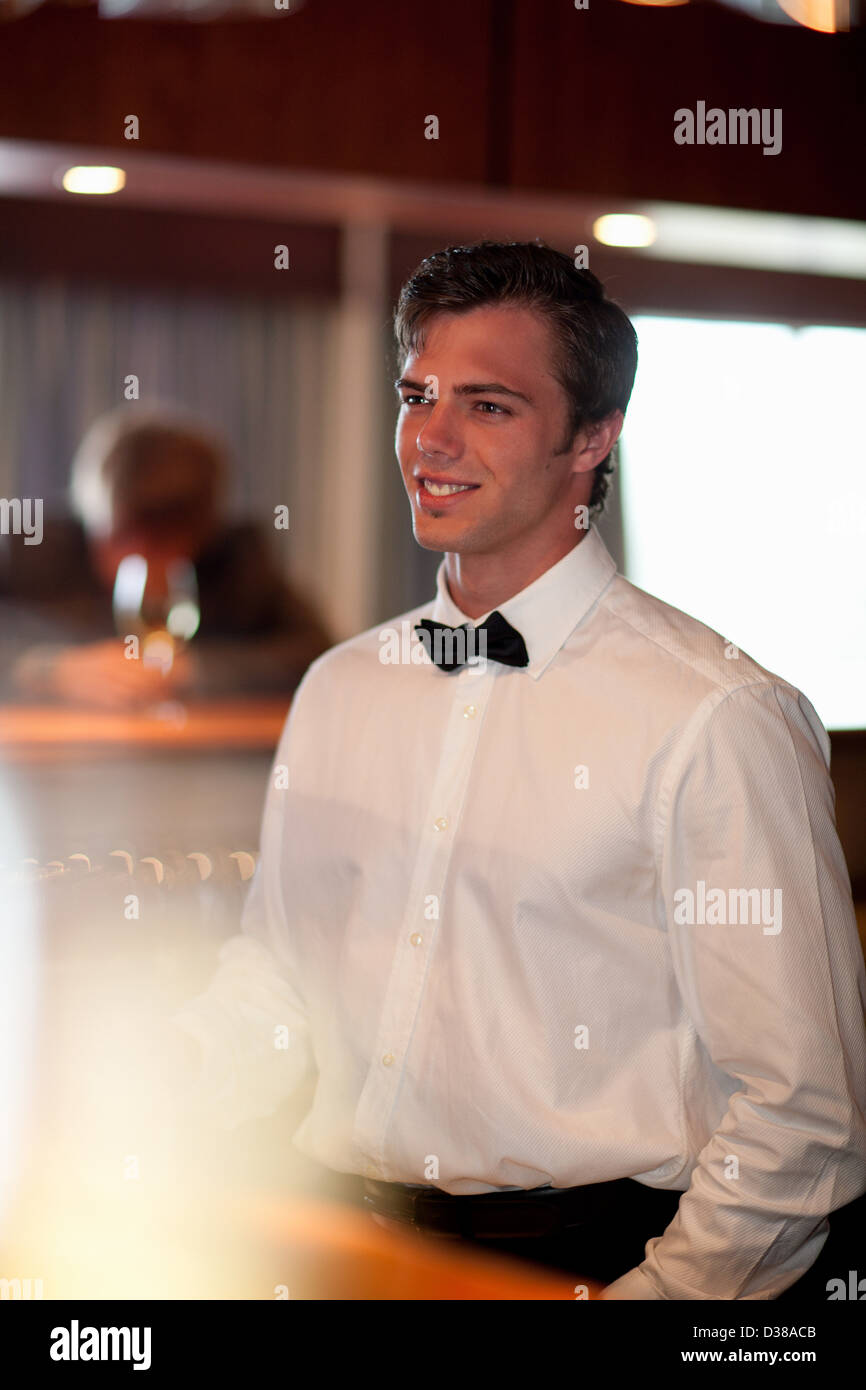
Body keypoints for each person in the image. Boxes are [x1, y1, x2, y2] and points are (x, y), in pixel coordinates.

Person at [174, 241, 866, 1300]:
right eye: (417, 396)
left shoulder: (716, 716)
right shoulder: (337, 689)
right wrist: (141, 1097)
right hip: (341, 1251)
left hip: (588, 1263)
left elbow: (799, 1115)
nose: (430, 441)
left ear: (593, 436)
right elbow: (278, 981)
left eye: (488, 406)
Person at [0, 405, 332, 706]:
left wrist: (192, 670)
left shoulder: (238, 559)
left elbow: (316, 652)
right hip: (50, 762)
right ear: (94, 517)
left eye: (162, 543)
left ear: (204, 532)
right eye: (124, 537)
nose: (140, 559)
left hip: (201, 759)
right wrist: (49, 670)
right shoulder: (32, 549)